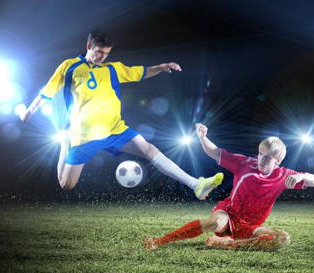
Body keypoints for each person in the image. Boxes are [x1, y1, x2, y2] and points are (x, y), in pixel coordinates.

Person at [20, 30, 223, 199]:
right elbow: (48, 91)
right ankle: (64, 144)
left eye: (106, 53)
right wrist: (30, 111)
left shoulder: (113, 69)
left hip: (115, 129)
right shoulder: (69, 66)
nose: (102, 57)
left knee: (149, 149)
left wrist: (162, 67)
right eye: (99, 52)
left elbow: (141, 72)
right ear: (89, 45)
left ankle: (196, 184)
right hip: (83, 137)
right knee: (67, 185)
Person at [143, 123, 314, 251]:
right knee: (214, 223)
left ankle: (225, 243)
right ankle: (158, 241)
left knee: (281, 239)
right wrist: (203, 137)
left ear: (278, 161)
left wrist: (302, 176)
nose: (261, 159)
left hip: (251, 225)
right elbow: (215, 152)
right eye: (260, 154)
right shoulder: (244, 163)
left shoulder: (284, 175)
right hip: (229, 213)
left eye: (267, 158)